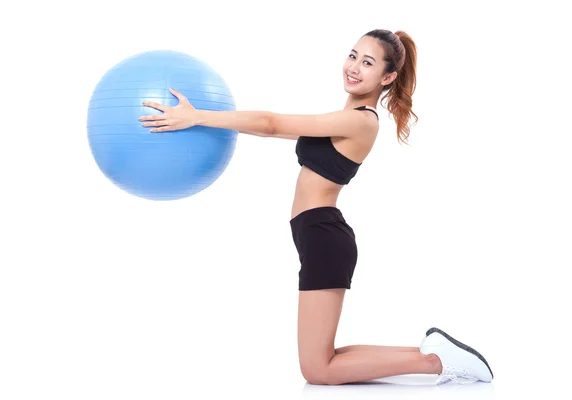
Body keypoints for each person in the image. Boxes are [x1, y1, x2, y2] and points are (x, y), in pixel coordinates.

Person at [139, 29, 494, 386]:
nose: (354, 67)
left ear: (387, 77)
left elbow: (271, 124)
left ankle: (436, 364)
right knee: (325, 358)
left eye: (367, 63)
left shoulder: (361, 120)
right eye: (353, 55)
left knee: (318, 369)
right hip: (316, 237)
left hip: (325, 239)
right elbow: (275, 127)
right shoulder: (347, 114)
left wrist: (196, 117)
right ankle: (433, 354)